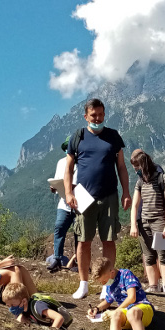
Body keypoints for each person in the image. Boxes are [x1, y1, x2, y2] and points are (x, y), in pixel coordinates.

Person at [63, 98, 131, 300]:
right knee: (83, 241)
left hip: (109, 195)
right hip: (84, 197)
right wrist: (68, 193)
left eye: (101, 114)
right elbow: (68, 168)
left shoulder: (113, 136)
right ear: (86, 116)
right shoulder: (78, 137)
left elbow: (121, 167)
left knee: (108, 240)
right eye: (93, 115)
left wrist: (126, 192)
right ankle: (83, 284)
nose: (97, 118)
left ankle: (107, 285)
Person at [87, 256, 153, 330]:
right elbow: (108, 301)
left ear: (112, 272)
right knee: (115, 316)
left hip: (141, 308)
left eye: (104, 281)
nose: (104, 284)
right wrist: (97, 309)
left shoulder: (126, 274)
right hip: (126, 312)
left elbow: (132, 297)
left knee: (132, 312)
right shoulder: (109, 283)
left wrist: (116, 310)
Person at [129, 149, 165, 294]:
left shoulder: (162, 178)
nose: (136, 170)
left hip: (159, 221)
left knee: (163, 255)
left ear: (144, 164)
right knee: (148, 257)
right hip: (144, 223)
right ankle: (153, 287)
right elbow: (135, 205)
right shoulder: (140, 181)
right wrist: (134, 225)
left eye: (137, 167)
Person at [47, 138, 78, 273]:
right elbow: (58, 180)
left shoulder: (83, 162)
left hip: (79, 204)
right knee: (59, 228)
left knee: (79, 233)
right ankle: (57, 258)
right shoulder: (61, 163)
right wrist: (54, 187)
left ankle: (78, 261)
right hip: (64, 203)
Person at [2, 282, 72, 329]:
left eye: (13, 305)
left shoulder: (37, 306)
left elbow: (59, 318)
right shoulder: (21, 311)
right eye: (8, 306)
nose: (11, 308)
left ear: (24, 301)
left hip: (59, 329)